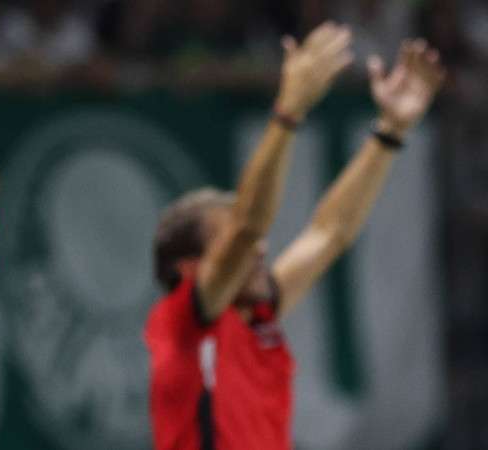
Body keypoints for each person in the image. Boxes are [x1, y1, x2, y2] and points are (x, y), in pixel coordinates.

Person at [145, 22, 446, 450]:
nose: (260, 249)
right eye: (229, 245)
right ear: (190, 270)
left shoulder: (257, 316)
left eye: (250, 246)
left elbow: (329, 232)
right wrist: (288, 110)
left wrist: (390, 132)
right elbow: (250, 225)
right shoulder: (181, 327)